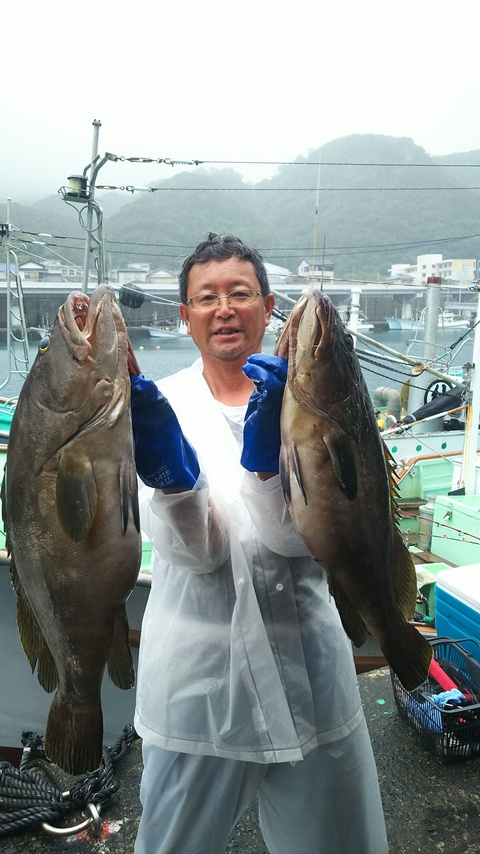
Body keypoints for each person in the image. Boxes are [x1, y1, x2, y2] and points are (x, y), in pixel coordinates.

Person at [130, 233, 388, 854]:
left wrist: (266, 471)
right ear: (184, 316)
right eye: (207, 297)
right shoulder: (156, 406)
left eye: (240, 293)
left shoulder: (312, 402)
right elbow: (198, 555)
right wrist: (174, 478)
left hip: (313, 674)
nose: (224, 308)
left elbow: (298, 540)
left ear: (268, 307)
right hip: (202, 687)